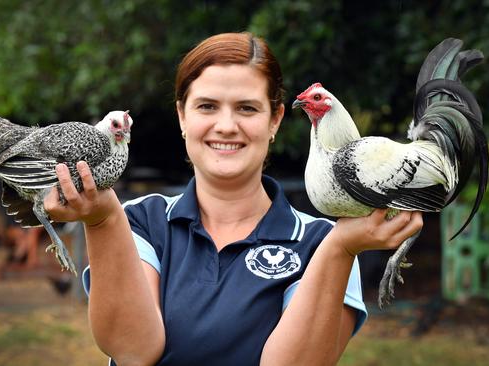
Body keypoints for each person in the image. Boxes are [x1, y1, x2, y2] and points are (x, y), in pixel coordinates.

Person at [45, 32, 423, 366]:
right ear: (182, 117)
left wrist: (339, 250)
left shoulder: (320, 243)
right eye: (207, 106)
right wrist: (104, 220)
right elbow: (133, 350)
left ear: (275, 120)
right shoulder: (141, 222)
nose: (226, 125)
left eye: (247, 108)